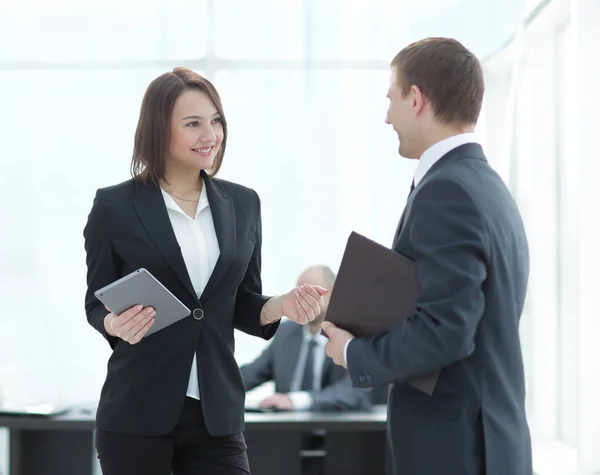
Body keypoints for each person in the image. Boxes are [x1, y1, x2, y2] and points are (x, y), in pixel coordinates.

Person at [83, 67, 328, 475]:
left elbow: (242, 303)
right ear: (160, 130)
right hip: (137, 415)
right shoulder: (115, 207)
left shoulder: (243, 204)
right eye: (193, 123)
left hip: (217, 418)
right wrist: (113, 324)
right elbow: (96, 302)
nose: (210, 135)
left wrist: (281, 305)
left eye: (216, 121)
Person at [322, 38, 532, 475]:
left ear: (416, 99)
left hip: (454, 450)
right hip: (486, 442)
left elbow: (446, 332)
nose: (387, 117)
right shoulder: (488, 187)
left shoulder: (446, 192)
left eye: (391, 99)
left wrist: (354, 352)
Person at [240, 265, 372, 412]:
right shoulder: (286, 333)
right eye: (298, 294)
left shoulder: (352, 333)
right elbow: (252, 373)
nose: (302, 301)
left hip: (337, 429)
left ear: (334, 293)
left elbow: (356, 389)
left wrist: (296, 400)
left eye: (311, 293)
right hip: (287, 430)